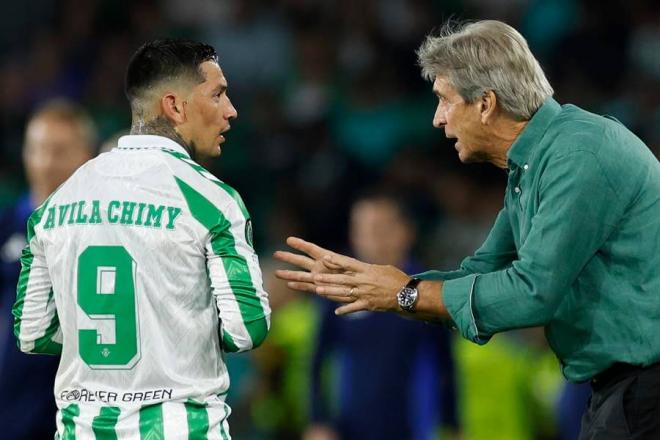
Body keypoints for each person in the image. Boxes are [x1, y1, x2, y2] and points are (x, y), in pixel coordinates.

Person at [275, 20, 660, 439]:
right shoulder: (536, 164)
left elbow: (533, 292)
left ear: (485, 104)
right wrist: (381, 286)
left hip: (646, 392)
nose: (438, 119)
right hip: (623, 392)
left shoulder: (579, 153)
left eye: (443, 99)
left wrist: (404, 293)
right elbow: (482, 271)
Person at [13, 38, 270, 438]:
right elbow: (246, 328)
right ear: (175, 105)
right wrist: (167, 332)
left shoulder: (55, 205)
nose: (231, 110)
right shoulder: (212, 201)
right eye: (218, 94)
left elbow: (33, 333)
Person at [305, 189, 458, 440]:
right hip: (349, 429)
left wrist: (452, 423)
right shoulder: (340, 290)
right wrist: (318, 420)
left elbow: (446, 365)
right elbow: (318, 361)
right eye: (363, 231)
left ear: (406, 232)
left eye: (381, 229)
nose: (372, 239)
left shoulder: (427, 291)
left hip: (412, 428)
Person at [0, 99, 95, 439]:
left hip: (78, 414)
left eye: (59, 151)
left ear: (86, 156)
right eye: (37, 149)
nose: (45, 162)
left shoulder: (103, 238)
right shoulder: (4, 228)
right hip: (9, 413)